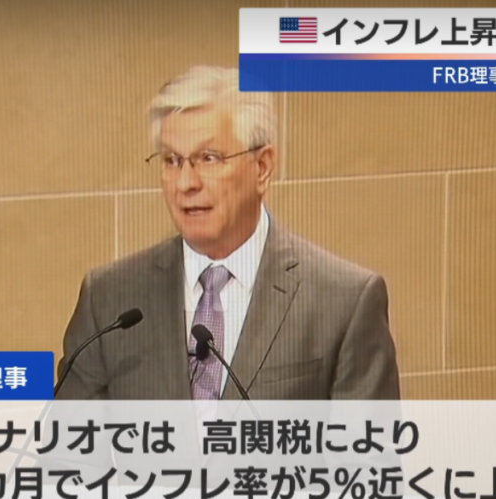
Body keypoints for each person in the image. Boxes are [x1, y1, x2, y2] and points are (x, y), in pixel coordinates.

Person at [56, 65, 398, 401]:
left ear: (262, 167)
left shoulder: (342, 302)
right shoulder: (109, 300)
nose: (186, 183)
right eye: (172, 160)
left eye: (209, 158)